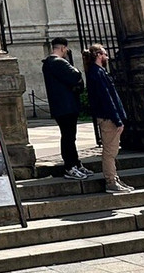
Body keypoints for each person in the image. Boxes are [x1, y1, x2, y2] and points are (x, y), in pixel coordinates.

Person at [84, 44, 132, 193]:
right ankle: (111, 181)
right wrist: (117, 119)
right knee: (110, 151)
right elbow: (106, 98)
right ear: (98, 55)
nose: (107, 57)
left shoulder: (98, 72)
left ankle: (114, 178)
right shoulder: (96, 73)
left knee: (112, 150)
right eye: (105, 54)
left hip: (108, 116)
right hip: (107, 117)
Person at [43, 37, 90, 180]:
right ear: (63, 48)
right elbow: (76, 75)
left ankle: (75, 163)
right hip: (66, 105)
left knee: (69, 136)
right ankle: (70, 167)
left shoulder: (48, 63)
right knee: (68, 137)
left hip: (60, 105)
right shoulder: (58, 62)